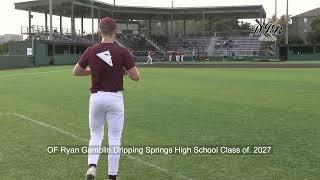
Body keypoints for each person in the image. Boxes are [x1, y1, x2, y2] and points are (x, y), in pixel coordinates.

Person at [73, 17, 140, 180]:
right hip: (115, 99)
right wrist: (121, 70)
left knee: (96, 135)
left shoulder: (90, 50)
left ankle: (92, 167)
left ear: (99, 31)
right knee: (115, 138)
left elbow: (76, 71)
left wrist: (92, 72)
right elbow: (136, 77)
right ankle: (112, 177)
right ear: (115, 31)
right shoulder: (123, 51)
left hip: (96, 98)